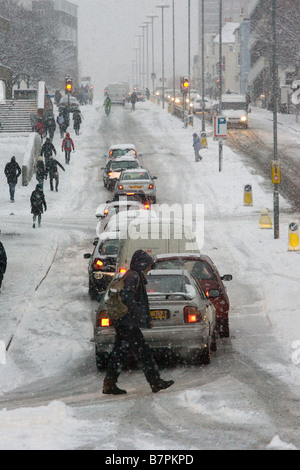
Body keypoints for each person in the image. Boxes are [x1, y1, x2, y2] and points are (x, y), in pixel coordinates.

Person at [102, 249, 174, 395]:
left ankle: (109, 384)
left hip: (125, 322)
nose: (150, 268)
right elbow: (128, 297)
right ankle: (155, 382)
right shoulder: (133, 277)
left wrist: (145, 319)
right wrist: (140, 316)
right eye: (148, 265)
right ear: (142, 264)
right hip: (128, 323)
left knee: (119, 353)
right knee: (144, 353)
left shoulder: (133, 275)